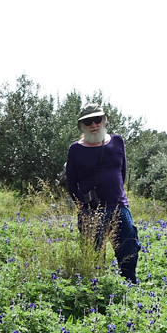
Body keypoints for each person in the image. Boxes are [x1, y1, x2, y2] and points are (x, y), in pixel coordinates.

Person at [65, 103, 140, 284]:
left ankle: (130, 289)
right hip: (91, 211)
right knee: (94, 258)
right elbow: (71, 183)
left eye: (97, 120)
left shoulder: (117, 142)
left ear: (104, 120)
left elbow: (122, 173)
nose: (93, 125)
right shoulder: (75, 149)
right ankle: (98, 296)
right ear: (82, 126)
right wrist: (83, 208)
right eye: (88, 122)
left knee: (128, 252)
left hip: (119, 207)